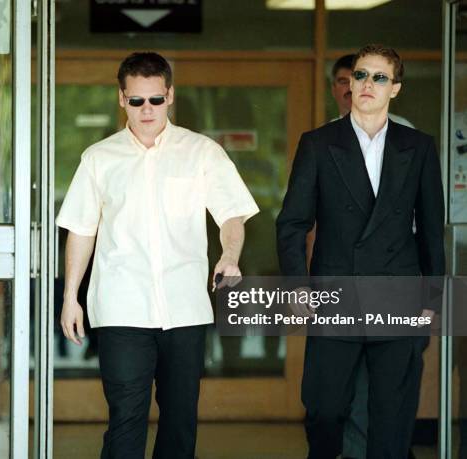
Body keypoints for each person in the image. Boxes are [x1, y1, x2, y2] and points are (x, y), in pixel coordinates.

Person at [56, 52, 259, 459]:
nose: (146, 110)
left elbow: (232, 215)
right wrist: (70, 297)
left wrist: (229, 255)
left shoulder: (202, 152)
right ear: (121, 99)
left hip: (184, 308)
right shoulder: (98, 159)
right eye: (136, 101)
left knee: (180, 421)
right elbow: (82, 229)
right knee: (126, 419)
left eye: (155, 99)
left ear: (170, 95)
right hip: (121, 307)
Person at [276, 44, 445, 458]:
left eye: (380, 77)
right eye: (361, 75)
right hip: (335, 294)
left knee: (390, 416)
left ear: (396, 88)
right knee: (325, 409)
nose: (368, 84)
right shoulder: (317, 143)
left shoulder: (418, 146)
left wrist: (434, 298)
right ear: (350, 83)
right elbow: (292, 223)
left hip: (398, 294)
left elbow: (430, 229)